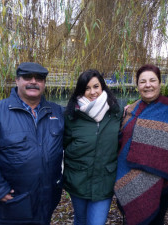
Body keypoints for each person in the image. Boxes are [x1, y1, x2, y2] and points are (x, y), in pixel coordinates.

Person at [0, 62, 64, 225]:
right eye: (27, 77)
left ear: (44, 83)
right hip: (11, 203)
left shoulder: (57, 112)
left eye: (39, 78)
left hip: (46, 201)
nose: (33, 81)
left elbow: (81, 128)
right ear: (17, 80)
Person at [114, 64, 168, 225]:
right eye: (142, 82)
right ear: (137, 86)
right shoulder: (130, 110)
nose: (148, 85)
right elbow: (120, 141)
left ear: (159, 83)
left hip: (161, 181)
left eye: (152, 80)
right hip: (130, 180)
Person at [63, 69, 123, 225]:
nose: (92, 92)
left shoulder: (116, 113)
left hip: (104, 181)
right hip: (78, 179)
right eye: (87, 88)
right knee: (80, 220)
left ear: (102, 87)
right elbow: (63, 144)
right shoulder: (71, 115)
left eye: (96, 86)